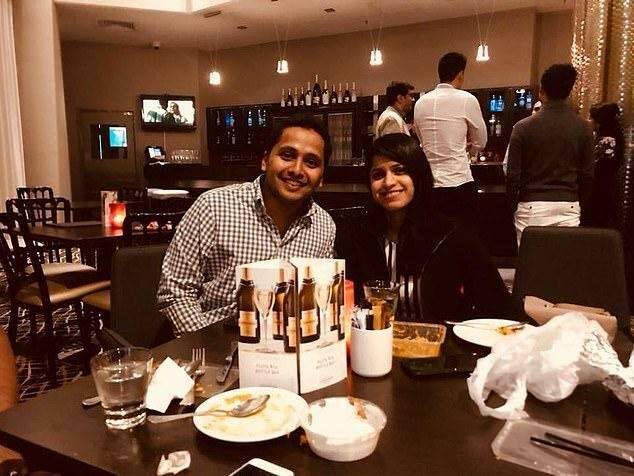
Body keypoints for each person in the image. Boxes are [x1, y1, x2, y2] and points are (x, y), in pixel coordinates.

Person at [157, 114, 336, 335]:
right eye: (287, 155)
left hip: (287, 348)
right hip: (213, 344)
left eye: (311, 162)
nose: (297, 170)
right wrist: (212, 346)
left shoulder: (324, 226)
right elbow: (175, 293)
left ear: (322, 177)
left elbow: (316, 301)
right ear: (265, 160)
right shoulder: (213, 207)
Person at [336, 133, 513, 323]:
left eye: (399, 170)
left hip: (440, 338)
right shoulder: (359, 237)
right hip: (376, 338)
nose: (388, 182)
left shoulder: (452, 236)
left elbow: (497, 305)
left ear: (418, 176)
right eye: (378, 175)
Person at [506, 64, 594, 246]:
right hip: (568, 204)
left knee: (532, 260)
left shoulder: (522, 127)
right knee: (564, 261)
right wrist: (579, 203)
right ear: (569, 92)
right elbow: (587, 175)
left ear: (541, 91)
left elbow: (513, 175)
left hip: (531, 205)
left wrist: (513, 206)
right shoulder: (584, 127)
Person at [413, 52, 487, 227]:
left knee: (431, 234)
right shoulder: (467, 99)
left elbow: (421, 139)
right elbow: (481, 141)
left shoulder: (420, 103)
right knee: (463, 235)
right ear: (460, 74)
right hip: (458, 181)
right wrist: (470, 150)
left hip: (429, 184)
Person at [587, 102, 624, 229]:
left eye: (590, 117)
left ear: (599, 121)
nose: (588, 121)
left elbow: (600, 170)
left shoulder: (607, 141)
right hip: (606, 191)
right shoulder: (611, 137)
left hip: (601, 194)